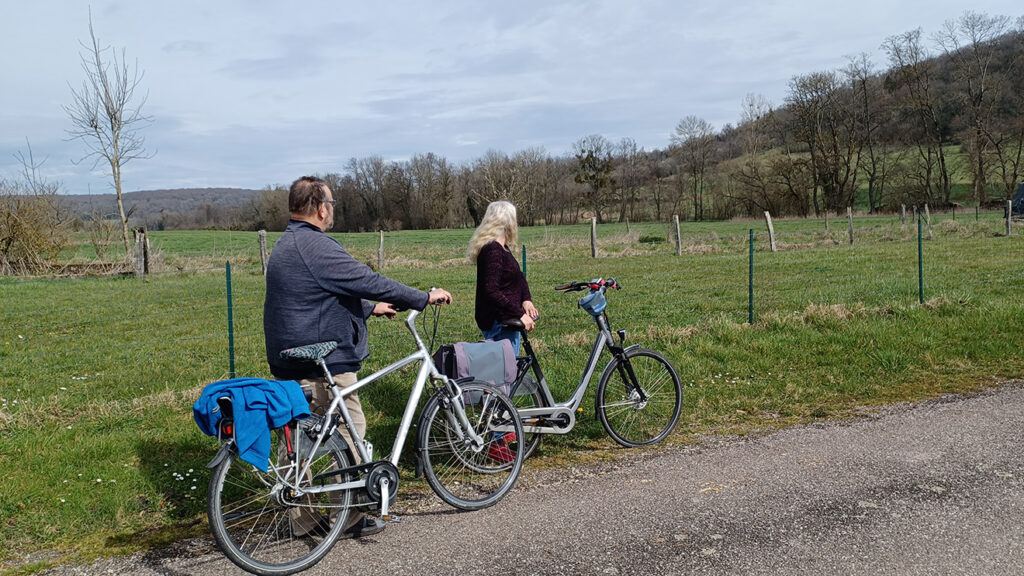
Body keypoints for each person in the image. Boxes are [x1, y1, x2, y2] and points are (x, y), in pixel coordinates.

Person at [264, 176, 452, 538]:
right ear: (320, 208)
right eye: (331, 204)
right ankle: (348, 518)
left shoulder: (287, 244)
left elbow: (317, 295)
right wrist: (421, 297)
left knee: (301, 439)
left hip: (290, 358)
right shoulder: (316, 246)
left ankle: (301, 520)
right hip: (321, 362)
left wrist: (369, 308)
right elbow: (366, 278)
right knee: (352, 433)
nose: (332, 210)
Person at [468, 200, 538, 355]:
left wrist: (526, 299)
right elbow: (491, 290)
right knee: (505, 376)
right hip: (500, 323)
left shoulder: (502, 248)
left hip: (507, 320)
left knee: (508, 372)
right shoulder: (493, 250)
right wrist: (519, 314)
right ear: (509, 223)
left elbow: (518, 277)